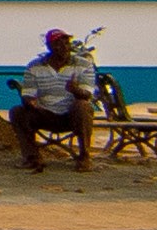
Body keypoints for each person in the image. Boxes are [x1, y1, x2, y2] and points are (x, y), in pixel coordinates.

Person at [13, 27, 101, 171]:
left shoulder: (83, 64)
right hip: (45, 113)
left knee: (83, 107)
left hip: (71, 115)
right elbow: (28, 92)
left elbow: (87, 95)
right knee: (18, 112)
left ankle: (84, 158)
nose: (64, 47)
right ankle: (32, 158)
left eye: (66, 43)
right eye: (58, 44)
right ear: (49, 47)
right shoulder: (34, 66)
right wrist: (30, 102)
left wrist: (75, 90)